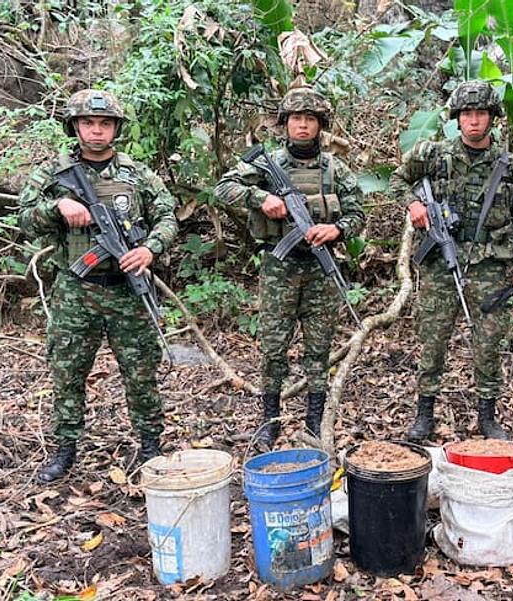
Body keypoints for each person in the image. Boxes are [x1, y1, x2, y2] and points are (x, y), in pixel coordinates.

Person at [18, 89, 178, 483]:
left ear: (115, 129)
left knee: (141, 372)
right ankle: (65, 450)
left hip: (127, 289)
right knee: (68, 371)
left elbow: (168, 217)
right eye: (88, 123)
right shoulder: (53, 174)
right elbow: (24, 217)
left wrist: (148, 250)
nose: (95, 131)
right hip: (77, 289)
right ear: (74, 126)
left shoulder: (136, 174)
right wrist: (56, 207)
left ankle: (151, 446)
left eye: (104, 124)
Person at [215, 87, 365, 448]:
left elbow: (358, 213)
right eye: (296, 119)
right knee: (273, 347)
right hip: (279, 268)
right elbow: (223, 188)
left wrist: (337, 229)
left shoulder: (334, 169)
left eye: (309, 119)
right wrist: (261, 197)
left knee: (319, 347)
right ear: (284, 124)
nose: (302, 125)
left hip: (319, 270)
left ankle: (314, 418)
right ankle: (269, 419)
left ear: (320, 125)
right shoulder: (269, 164)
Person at [389, 80, 513, 441]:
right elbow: (396, 181)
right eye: (467, 114)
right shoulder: (432, 155)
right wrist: (413, 204)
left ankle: (488, 417)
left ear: (492, 118)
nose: (474, 121)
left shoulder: (512, 168)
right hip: (441, 265)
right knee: (433, 340)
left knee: (487, 344)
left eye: (481, 114)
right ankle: (424, 415)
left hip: (491, 269)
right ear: (457, 118)